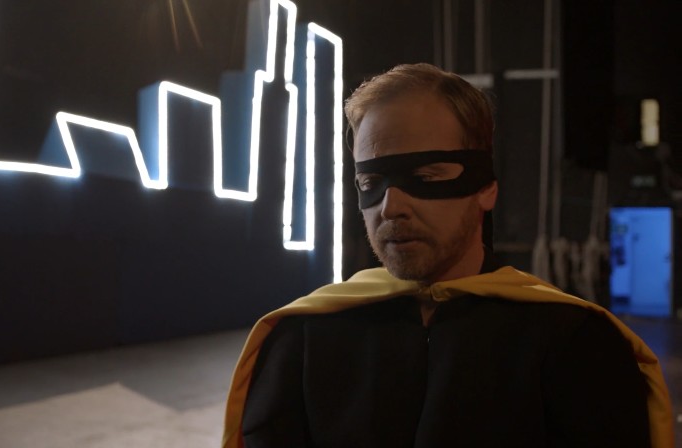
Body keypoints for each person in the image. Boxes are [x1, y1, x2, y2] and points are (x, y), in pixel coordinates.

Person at [222, 63, 673, 448]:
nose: (391, 207)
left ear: (486, 189)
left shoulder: (575, 343)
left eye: (426, 176)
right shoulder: (303, 340)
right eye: (370, 183)